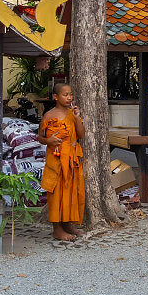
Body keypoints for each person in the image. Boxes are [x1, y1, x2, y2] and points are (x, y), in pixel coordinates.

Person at [38, 82, 85, 241]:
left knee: (71, 192)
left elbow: (81, 134)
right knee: (57, 193)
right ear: (56, 97)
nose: (69, 97)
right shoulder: (49, 115)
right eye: (65, 95)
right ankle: (57, 229)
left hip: (72, 159)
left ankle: (67, 224)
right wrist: (48, 140)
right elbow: (40, 138)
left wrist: (78, 118)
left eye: (70, 94)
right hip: (56, 159)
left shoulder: (73, 114)